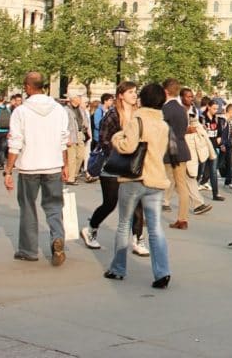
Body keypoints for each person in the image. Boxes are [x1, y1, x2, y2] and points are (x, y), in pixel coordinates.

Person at [103, 82, 172, 289]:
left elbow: (127, 146)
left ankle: (118, 268)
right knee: (155, 228)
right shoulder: (163, 124)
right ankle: (162, 271)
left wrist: (117, 137)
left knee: (124, 223)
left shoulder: (137, 120)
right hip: (156, 177)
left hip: (135, 178)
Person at [4, 72, 69, 266]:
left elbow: (15, 143)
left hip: (29, 166)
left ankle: (28, 249)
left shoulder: (21, 111)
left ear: (28, 87)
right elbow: (64, 140)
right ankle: (57, 237)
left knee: (28, 207)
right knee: (54, 206)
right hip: (53, 164)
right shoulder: (59, 109)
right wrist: (65, 164)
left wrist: (8, 169)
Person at [81, 81, 148, 257]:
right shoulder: (112, 115)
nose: (134, 95)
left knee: (137, 204)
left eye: (135, 92)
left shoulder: (138, 115)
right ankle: (91, 228)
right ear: (121, 95)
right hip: (112, 165)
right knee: (110, 203)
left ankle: (138, 239)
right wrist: (121, 151)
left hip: (133, 166)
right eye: (130, 92)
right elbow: (103, 140)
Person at [160, 79, 196, 229]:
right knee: (182, 185)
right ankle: (182, 218)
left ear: (165, 91)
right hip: (181, 148)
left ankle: (151, 215)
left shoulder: (165, 109)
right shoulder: (182, 109)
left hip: (168, 150)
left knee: (159, 183)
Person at [64, 95, 90, 185]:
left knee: (81, 156)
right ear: (73, 99)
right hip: (70, 134)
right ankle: (71, 178)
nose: (80, 100)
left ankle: (74, 174)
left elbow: (85, 120)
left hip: (80, 133)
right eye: (78, 98)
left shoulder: (81, 109)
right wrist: (66, 138)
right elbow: (64, 124)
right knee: (72, 157)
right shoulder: (66, 110)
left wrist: (86, 128)